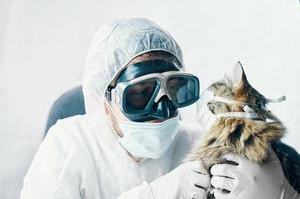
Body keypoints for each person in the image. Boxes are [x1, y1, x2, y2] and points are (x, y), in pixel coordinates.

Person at [20, 18, 299, 199]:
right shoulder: (68, 145)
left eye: (175, 89)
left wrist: (282, 193)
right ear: (104, 100)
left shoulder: (196, 145)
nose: (163, 110)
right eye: (141, 94)